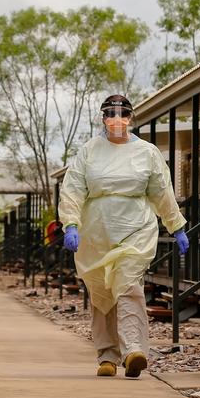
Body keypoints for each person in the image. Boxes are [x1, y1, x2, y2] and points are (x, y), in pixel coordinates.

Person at [59, 94, 188, 379]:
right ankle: (106, 355)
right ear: (103, 118)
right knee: (102, 294)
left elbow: (162, 192)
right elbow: (73, 189)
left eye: (122, 115)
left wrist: (176, 225)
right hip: (96, 235)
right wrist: (71, 223)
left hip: (135, 231)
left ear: (130, 118)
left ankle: (133, 351)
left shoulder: (147, 152)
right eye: (111, 115)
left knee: (129, 286)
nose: (117, 120)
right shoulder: (89, 151)